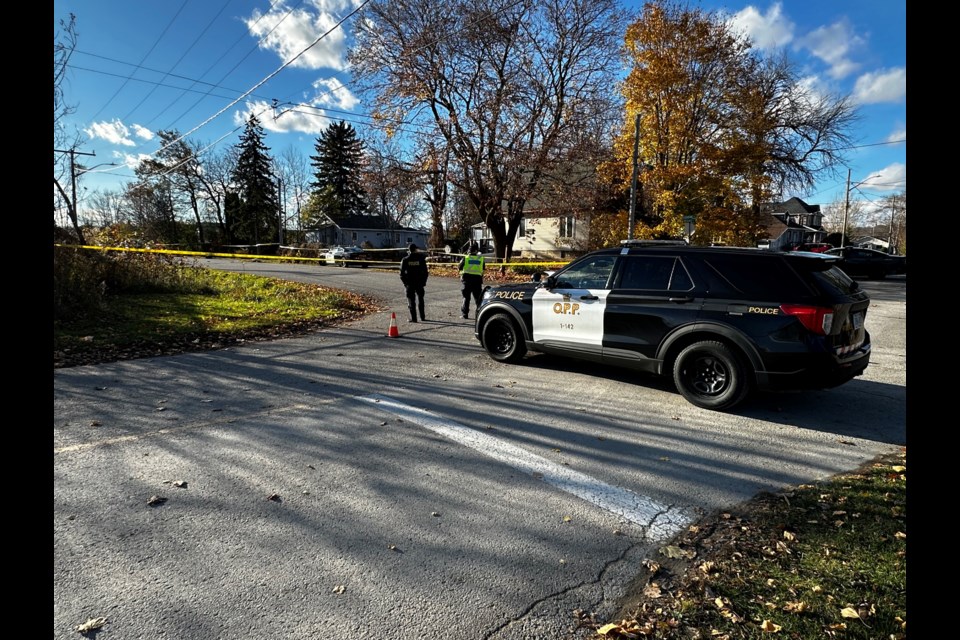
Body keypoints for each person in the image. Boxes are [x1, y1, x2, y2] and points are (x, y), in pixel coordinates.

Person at [399, 243, 429, 322]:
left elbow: (401, 274)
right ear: (415, 249)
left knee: (411, 301)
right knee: (421, 300)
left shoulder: (405, 260)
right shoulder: (421, 259)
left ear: (409, 250)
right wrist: (424, 282)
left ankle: (414, 318)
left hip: (410, 283)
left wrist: (405, 283)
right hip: (419, 282)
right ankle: (422, 317)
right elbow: (426, 272)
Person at [457, 242, 485, 319]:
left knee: (466, 298)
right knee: (478, 299)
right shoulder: (481, 259)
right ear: (476, 251)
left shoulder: (465, 258)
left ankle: (464, 314)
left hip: (467, 281)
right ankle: (480, 315)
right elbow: (483, 269)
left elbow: (459, 267)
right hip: (477, 281)